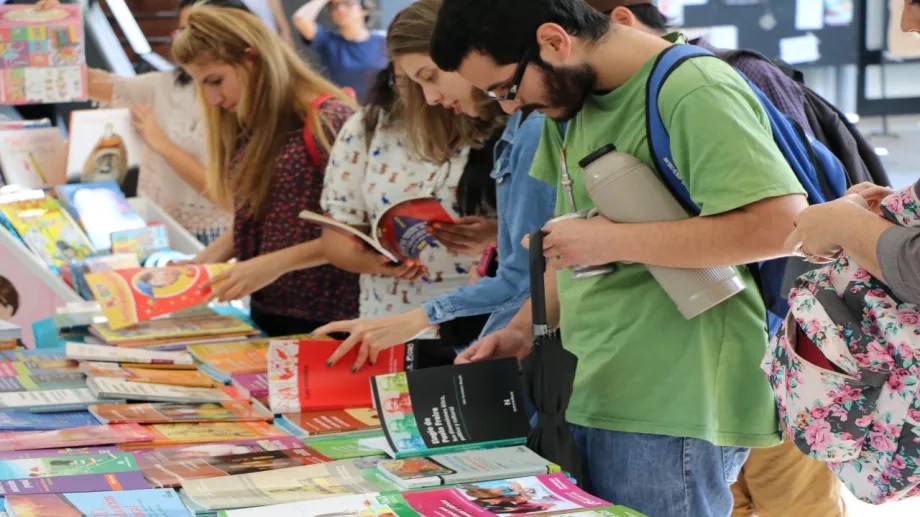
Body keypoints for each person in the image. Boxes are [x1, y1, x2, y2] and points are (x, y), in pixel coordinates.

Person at [429, 1, 810, 515]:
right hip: (587, 390)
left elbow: (782, 227)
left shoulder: (692, 89)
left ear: (554, 41)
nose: (510, 107)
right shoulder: (573, 101)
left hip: (672, 404)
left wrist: (611, 241)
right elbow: (570, 246)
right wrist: (520, 331)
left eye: (506, 88)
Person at [587, 3, 846, 516]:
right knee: (738, 498)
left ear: (620, 21)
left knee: (793, 501)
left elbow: (795, 210)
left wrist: (614, 242)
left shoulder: (716, 78)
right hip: (725, 342)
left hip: (781, 329)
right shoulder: (641, 95)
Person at [313, 0, 556, 371]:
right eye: (412, 84)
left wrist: (418, 318)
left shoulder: (532, 127)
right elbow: (525, 269)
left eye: (429, 76)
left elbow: (525, 275)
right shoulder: (518, 126)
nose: (430, 98)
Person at [171, 4, 359, 336]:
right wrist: (202, 262)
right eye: (203, 86)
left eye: (216, 81)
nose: (212, 99)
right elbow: (259, 216)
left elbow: (358, 231)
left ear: (252, 59)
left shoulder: (329, 121)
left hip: (329, 322)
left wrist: (273, 264)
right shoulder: (249, 126)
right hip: (267, 315)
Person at [84, 0, 248, 245]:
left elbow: (227, 196)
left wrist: (160, 141)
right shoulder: (163, 85)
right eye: (181, 32)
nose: (186, 42)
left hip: (219, 237)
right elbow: (81, 81)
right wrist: (53, 30)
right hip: (153, 230)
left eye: (197, 33)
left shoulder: (245, 100)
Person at [291, 0, 386, 103]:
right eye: (335, 6)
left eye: (348, 4)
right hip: (345, 110)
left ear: (364, 10)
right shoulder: (327, 41)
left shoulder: (384, 40)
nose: (340, 9)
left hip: (381, 109)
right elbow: (300, 19)